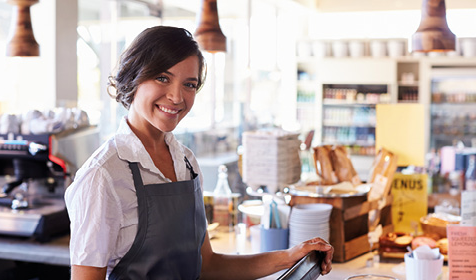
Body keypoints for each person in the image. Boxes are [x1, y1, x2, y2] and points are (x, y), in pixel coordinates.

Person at [65, 25, 333, 280]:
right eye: (162, 78)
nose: (177, 97)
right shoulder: (103, 176)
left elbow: (208, 265)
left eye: (189, 84)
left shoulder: (186, 162)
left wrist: (288, 257)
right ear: (133, 78)